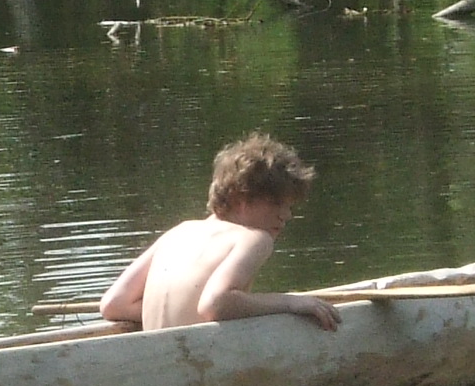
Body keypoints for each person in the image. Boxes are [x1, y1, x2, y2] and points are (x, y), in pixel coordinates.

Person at [97, 132, 345, 334]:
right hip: (197, 365)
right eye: (275, 203)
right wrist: (290, 301)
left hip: (161, 360)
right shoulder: (254, 238)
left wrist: (181, 313)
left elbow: (113, 304)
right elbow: (215, 303)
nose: (286, 215)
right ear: (240, 198)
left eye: (289, 206)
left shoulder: (179, 231)